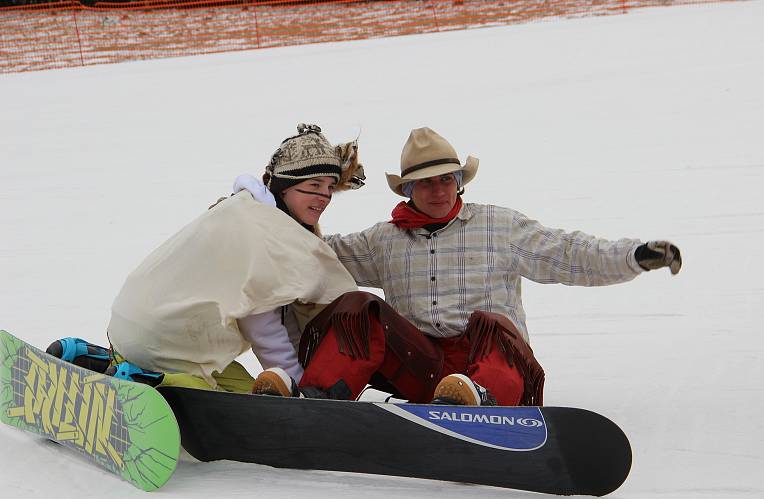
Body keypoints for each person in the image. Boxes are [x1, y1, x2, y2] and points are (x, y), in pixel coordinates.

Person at [253, 126, 682, 406]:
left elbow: (568, 253)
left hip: (497, 373)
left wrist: (634, 256)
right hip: (423, 371)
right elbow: (312, 258)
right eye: (426, 181)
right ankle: (317, 399)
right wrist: (267, 212)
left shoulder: (499, 226)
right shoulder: (385, 240)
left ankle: (478, 401)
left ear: (460, 181)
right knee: (358, 307)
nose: (439, 190)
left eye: (447, 179)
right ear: (408, 188)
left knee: (493, 324)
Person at [99, 124, 365, 391]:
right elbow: (263, 328)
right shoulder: (263, 234)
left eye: (330, 186)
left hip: (133, 325)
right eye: (314, 185)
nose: (325, 196)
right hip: (162, 345)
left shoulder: (243, 210)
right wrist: (300, 392)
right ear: (285, 187)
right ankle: (144, 380)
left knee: (243, 382)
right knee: (247, 405)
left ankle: (98, 359)